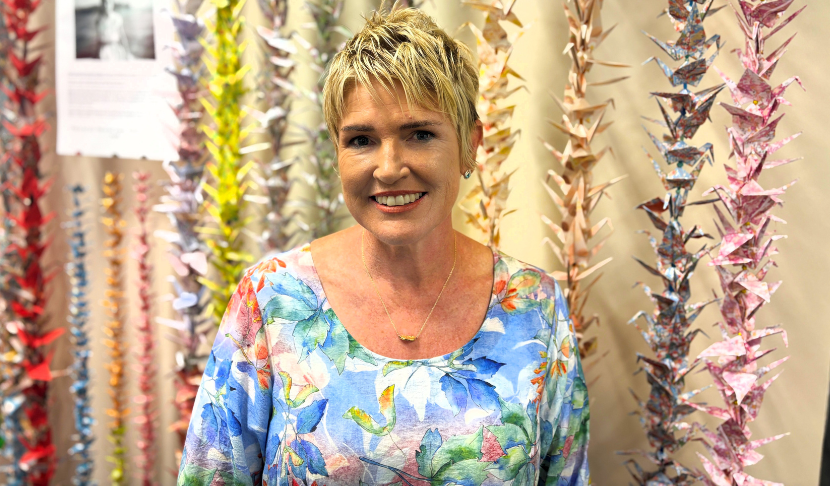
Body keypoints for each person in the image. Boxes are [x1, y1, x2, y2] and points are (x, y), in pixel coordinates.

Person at [177, 5, 590, 485]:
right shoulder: (272, 299)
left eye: (420, 134)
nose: (389, 168)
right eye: (361, 140)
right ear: (336, 150)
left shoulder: (534, 305)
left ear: (470, 144)